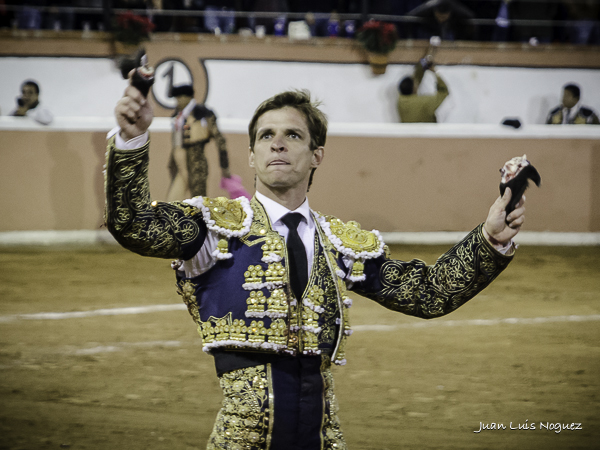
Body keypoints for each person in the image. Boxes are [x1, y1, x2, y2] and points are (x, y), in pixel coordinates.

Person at [106, 79, 526, 447]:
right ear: (251, 155)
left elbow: (428, 293)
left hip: (322, 436)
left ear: (316, 155)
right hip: (244, 438)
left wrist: (491, 239)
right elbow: (133, 224)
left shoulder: (341, 243)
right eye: (266, 135)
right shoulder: (214, 228)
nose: (278, 143)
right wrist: (131, 140)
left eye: (292, 134)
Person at [167, 84, 232, 201]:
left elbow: (220, 140)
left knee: (198, 201)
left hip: (196, 163)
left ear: (187, 97)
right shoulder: (178, 115)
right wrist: (172, 165)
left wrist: (224, 165)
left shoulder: (203, 113)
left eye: (178, 98)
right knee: (172, 201)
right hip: (179, 165)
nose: (177, 101)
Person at [397, 44, 449, 123]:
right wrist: (435, 72)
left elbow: (416, 79)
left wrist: (424, 62)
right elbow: (444, 91)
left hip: (407, 131)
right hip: (427, 131)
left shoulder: (401, 101)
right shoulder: (425, 102)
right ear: (414, 89)